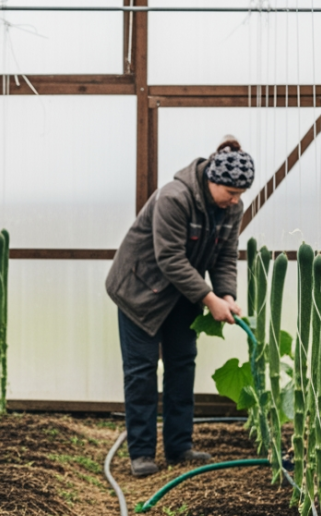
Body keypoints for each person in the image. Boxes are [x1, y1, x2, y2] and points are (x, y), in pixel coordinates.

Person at [105, 137, 253, 477]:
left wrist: (226, 294)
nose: (235, 201)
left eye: (240, 194)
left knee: (182, 365)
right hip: (139, 292)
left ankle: (179, 447)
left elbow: (226, 256)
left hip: (184, 294)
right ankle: (141, 453)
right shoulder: (175, 197)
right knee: (141, 372)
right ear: (212, 180)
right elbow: (169, 258)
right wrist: (210, 300)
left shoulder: (231, 208)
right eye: (231, 193)